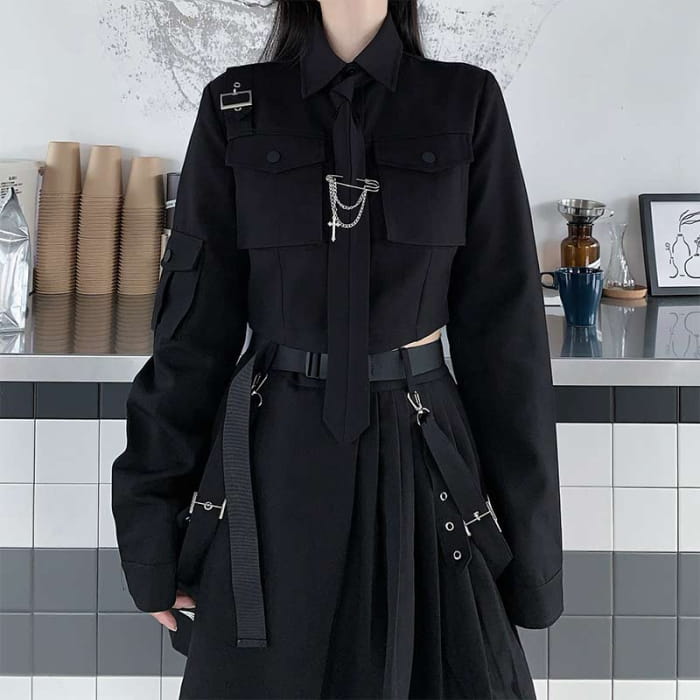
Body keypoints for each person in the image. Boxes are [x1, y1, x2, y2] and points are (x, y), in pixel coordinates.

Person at [111, 1, 564, 698]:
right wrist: (150, 534)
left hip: (422, 461)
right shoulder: (237, 104)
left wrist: (533, 560)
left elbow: (507, 340)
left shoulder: (464, 101)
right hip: (271, 464)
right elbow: (191, 338)